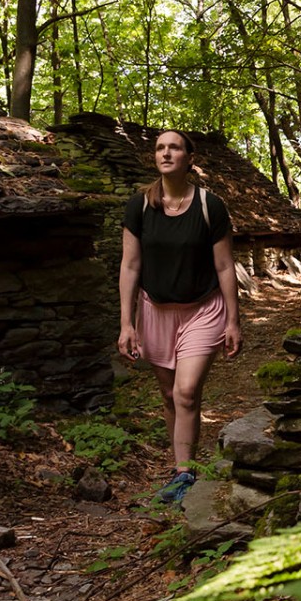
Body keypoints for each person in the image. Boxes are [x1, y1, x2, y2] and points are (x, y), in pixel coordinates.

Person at [117, 129, 242, 503]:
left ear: (189, 157)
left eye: (174, 147)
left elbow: (224, 266)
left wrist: (233, 320)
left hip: (203, 309)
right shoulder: (139, 206)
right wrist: (127, 322)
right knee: (169, 395)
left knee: (186, 392)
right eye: (160, 148)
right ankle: (181, 465)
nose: (166, 153)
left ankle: (184, 475)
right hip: (155, 312)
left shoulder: (210, 206)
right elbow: (130, 266)